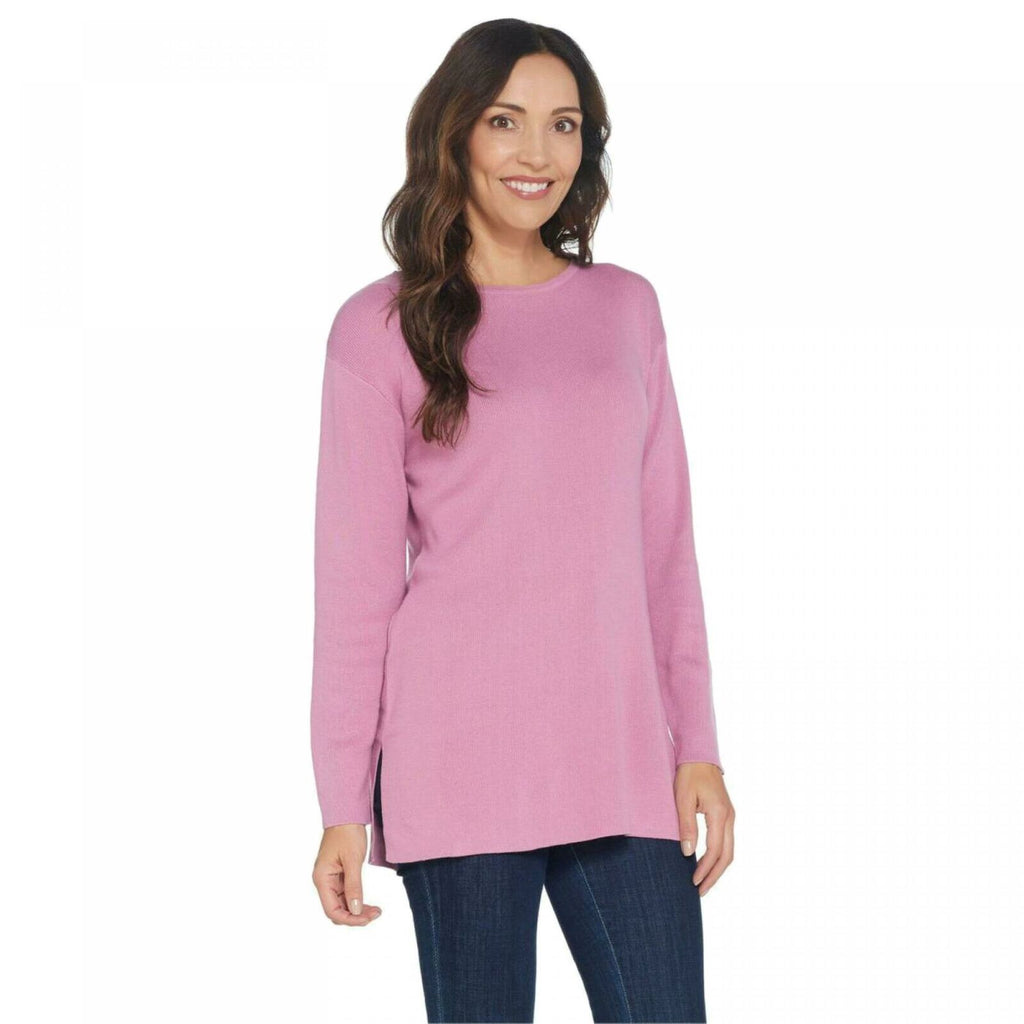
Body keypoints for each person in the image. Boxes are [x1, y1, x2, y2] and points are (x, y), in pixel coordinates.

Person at [309, 18, 736, 1024]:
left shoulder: (625, 309)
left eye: (564, 124)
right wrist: (341, 801)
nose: (537, 151)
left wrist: (699, 747)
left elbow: (664, 548)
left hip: (620, 760)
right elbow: (355, 587)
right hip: (455, 763)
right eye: (505, 121)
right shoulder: (378, 327)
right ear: (454, 131)